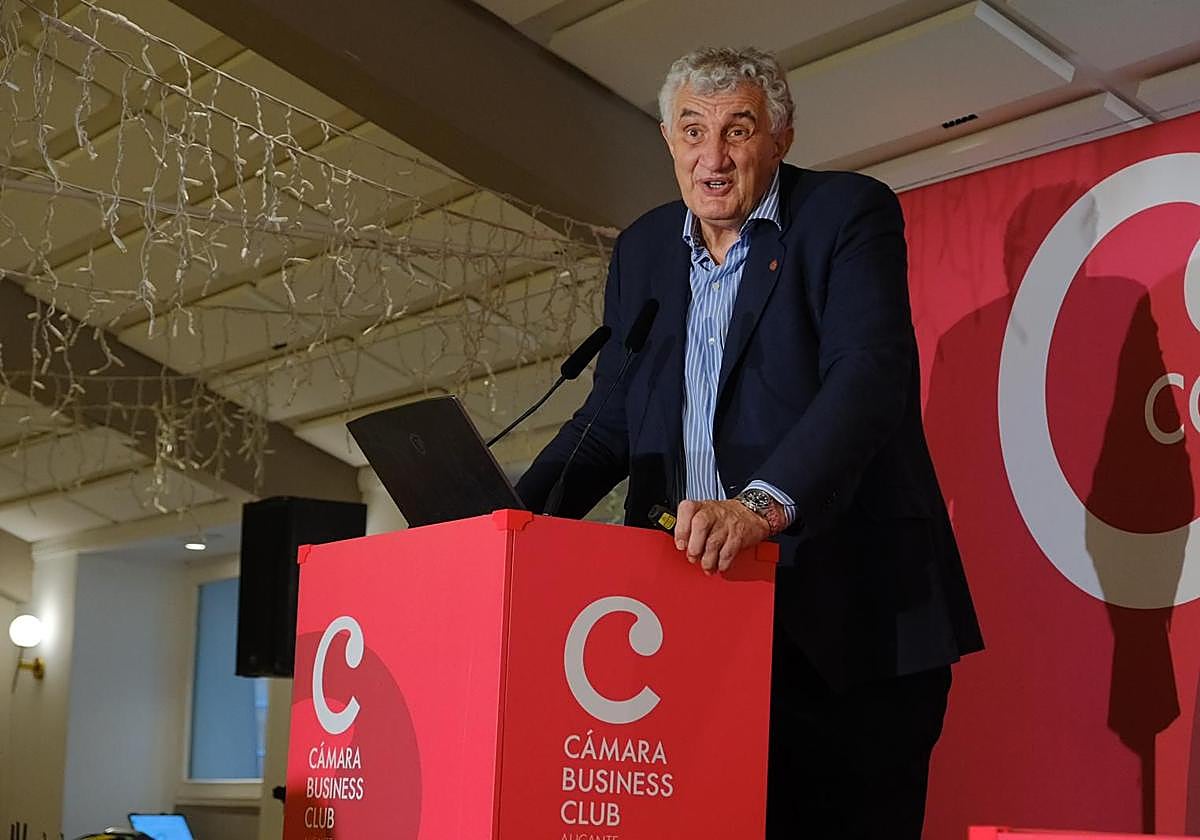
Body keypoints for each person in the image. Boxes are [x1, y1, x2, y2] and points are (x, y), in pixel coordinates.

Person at [516, 46, 982, 838]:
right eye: (693, 131)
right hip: (693, 630)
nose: (713, 157)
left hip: (844, 625)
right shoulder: (644, 252)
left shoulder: (846, 217)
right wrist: (507, 521)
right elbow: (612, 420)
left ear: (781, 139)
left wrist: (757, 507)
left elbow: (868, 381)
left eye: (738, 130)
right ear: (668, 140)